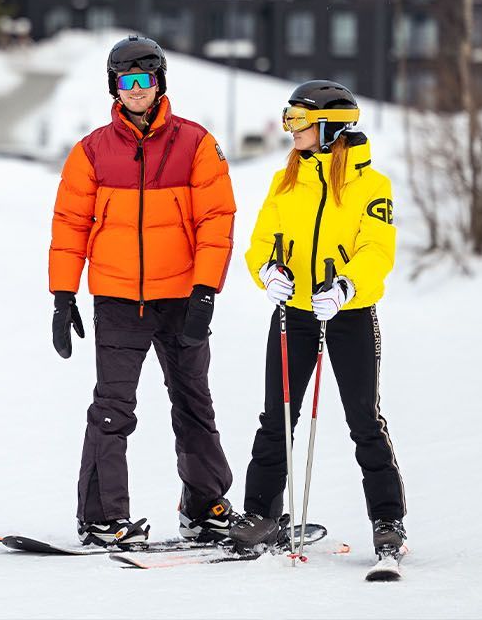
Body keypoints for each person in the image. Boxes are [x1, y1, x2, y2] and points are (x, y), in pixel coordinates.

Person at [48, 35, 238, 548]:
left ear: (159, 83)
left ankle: (205, 508)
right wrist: (63, 296)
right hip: (116, 300)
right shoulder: (91, 151)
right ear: (115, 86)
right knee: (111, 408)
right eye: (126, 81)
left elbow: (216, 220)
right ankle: (103, 518)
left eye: (145, 79)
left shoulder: (196, 143)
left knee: (193, 402)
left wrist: (205, 291)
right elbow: (69, 225)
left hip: (180, 299)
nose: (136, 90)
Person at [227, 80, 406, 564]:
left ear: (330, 127)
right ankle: (260, 514)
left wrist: (346, 285)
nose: (291, 128)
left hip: (347, 314)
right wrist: (266, 271)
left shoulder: (373, 187)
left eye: (299, 120)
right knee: (276, 417)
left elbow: (377, 249)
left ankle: (388, 520)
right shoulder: (286, 181)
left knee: (364, 421)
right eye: (289, 118)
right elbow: (261, 240)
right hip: (295, 314)